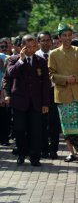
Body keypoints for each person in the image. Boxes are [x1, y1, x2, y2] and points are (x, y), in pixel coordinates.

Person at [48, 23, 78, 163]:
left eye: (69, 35)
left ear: (72, 36)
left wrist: (76, 78)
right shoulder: (53, 54)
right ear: (59, 37)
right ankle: (72, 153)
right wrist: (66, 79)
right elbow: (51, 75)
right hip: (63, 93)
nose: (67, 38)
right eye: (64, 36)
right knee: (66, 125)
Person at [4, 34, 50, 166]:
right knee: (19, 129)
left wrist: (45, 102)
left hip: (36, 103)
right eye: (28, 47)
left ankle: (35, 157)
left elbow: (45, 84)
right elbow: (11, 74)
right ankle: (21, 154)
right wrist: (21, 60)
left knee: (36, 130)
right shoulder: (13, 59)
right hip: (19, 102)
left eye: (34, 46)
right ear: (22, 47)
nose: (31, 49)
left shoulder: (41, 61)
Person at [36, 31, 61, 159]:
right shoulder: (35, 56)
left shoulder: (56, 55)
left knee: (54, 123)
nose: (45, 42)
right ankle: (44, 149)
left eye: (48, 40)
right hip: (39, 95)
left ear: (51, 41)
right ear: (38, 42)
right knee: (41, 123)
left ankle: (54, 149)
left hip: (54, 93)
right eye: (43, 40)